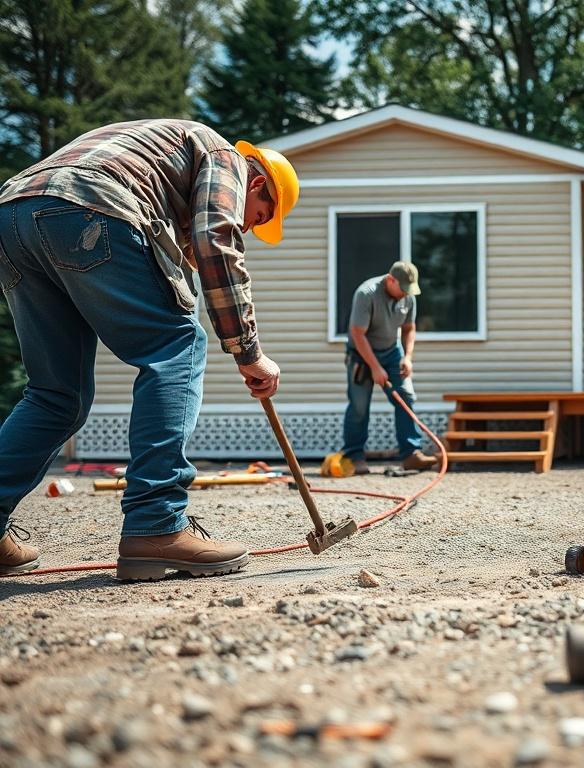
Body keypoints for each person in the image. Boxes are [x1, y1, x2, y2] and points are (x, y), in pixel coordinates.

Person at [0, 119, 299, 579]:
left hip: (12, 215)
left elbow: (182, 248)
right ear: (257, 184)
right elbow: (216, 238)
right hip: (90, 208)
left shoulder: (163, 153)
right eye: (257, 217)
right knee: (177, 346)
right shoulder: (227, 158)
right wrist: (248, 351)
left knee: (56, 394)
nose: (247, 225)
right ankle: (156, 524)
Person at [340, 262, 438, 475]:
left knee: (406, 397)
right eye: (402, 288)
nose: (406, 294)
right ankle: (354, 456)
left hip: (392, 352)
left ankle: (411, 454)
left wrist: (408, 357)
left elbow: (409, 328)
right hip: (361, 354)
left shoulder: (408, 296)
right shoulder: (366, 294)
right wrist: (375, 367)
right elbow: (357, 333)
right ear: (390, 279)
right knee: (359, 406)